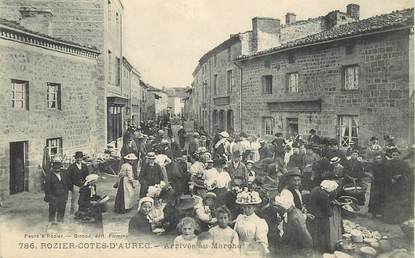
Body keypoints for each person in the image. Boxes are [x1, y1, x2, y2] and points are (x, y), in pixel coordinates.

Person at [308, 180, 342, 252]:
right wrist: (332, 206)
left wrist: (329, 202)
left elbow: (320, 203)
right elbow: (329, 213)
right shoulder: (324, 195)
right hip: (320, 217)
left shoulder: (317, 189)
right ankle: (325, 250)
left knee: (315, 234)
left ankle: (316, 247)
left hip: (312, 213)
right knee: (323, 234)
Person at [234, 190, 269, 256]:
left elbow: (262, 242)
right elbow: (235, 235)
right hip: (239, 249)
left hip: (252, 251)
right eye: (244, 207)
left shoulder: (259, 222)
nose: (246, 209)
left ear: (254, 208)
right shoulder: (240, 218)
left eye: (249, 207)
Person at [383, 149, 413, 224]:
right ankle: (391, 218)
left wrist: (401, 176)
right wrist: (391, 178)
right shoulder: (388, 163)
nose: (395, 156)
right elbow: (385, 173)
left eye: (397, 155)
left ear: (399, 155)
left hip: (401, 184)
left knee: (401, 200)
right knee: (391, 200)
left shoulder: (404, 163)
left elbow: (408, 173)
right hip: (391, 185)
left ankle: (402, 218)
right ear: (391, 156)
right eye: (393, 155)